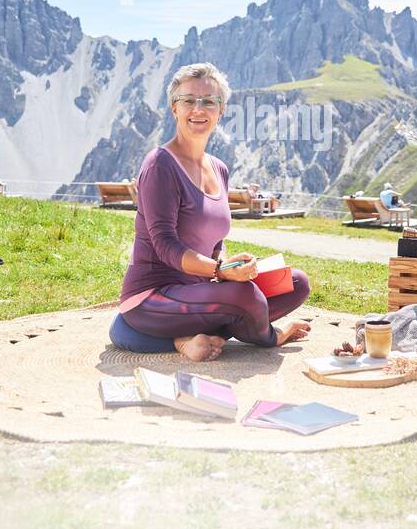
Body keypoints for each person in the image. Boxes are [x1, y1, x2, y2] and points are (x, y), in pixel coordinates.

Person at [112, 62, 312, 362]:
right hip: (154, 296)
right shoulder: (160, 165)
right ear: (174, 108)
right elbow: (165, 246)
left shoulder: (219, 168)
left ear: (221, 111)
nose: (199, 109)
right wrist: (220, 273)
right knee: (245, 297)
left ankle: (197, 335)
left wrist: (228, 265)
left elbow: (214, 243)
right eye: (189, 100)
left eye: (209, 101)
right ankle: (268, 335)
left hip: (204, 290)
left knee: (295, 282)